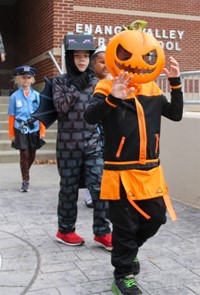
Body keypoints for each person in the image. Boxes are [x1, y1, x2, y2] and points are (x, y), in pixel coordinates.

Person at [84, 54, 183, 294]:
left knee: (156, 217)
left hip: (150, 171)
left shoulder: (151, 87)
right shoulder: (107, 85)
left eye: (143, 57)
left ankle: (128, 253)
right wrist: (112, 98)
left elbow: (176, 114)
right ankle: (123, 275)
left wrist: (176, 83)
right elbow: (90, 116)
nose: (137, 62)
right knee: (125, 227)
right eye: (128, 57)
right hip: (119, 172)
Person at [52, 33, 112, 250]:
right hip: (68, 145)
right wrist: (76, 86)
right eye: (77, 56)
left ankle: (102, 233)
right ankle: (65, 231)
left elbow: (103, 115)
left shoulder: (98, 83)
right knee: (68, 189)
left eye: (85, 56)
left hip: (92, 143)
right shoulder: (59, 81)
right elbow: (60, 108)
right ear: (69, 58)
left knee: (101, 187)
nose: (81, 60)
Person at [8, 65, 46, 192]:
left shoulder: (37, 96)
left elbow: (41, 114)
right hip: (20, 128)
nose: (26, 80)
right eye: (23, 77)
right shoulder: (14, 97)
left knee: (32, 155)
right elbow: (11, 116)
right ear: (19, 79)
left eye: (28, 78)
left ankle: (24, 170)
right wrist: (11, 133)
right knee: (24, 153)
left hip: (34, 128)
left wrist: (42, 130)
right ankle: (25, 180)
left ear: (32, 80)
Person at [84, 44, 110, 209]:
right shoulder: (87, 84)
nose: (106, 65)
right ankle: (89, 193)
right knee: (92, 162)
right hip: (91, 130)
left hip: (108, 130)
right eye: (101, 62)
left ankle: (106, 191)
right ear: (93, 64)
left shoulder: (113, 83)